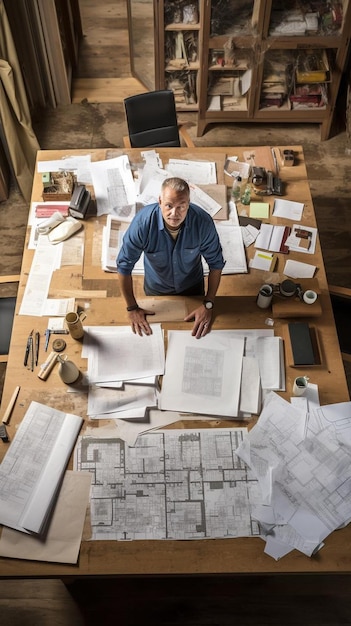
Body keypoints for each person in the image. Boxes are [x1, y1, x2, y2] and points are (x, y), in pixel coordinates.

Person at [116, 177, 225, 339]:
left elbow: (216, 264)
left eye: (181, 206)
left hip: (193, 288)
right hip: (156, 288)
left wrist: (208, 304)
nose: (174, 214)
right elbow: (124, 265)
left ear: (188, 203)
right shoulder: (142, 224)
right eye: (169, 206)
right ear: (160, 201)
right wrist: (132, 307)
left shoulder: (203, 223)